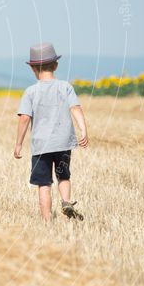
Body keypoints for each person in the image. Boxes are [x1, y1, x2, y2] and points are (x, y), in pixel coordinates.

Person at [13, 42, 88, 221]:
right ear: (55, 65)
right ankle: (66, 201)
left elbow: (24, 118)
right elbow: (76, 108)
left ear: (32, 68)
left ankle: (47, 220)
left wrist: (18, 144)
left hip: (41, 146)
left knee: (44, 183)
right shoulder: (65, 87)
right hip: (63, 143)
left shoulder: (30, 92)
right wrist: (83, 130)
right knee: (64, 176)